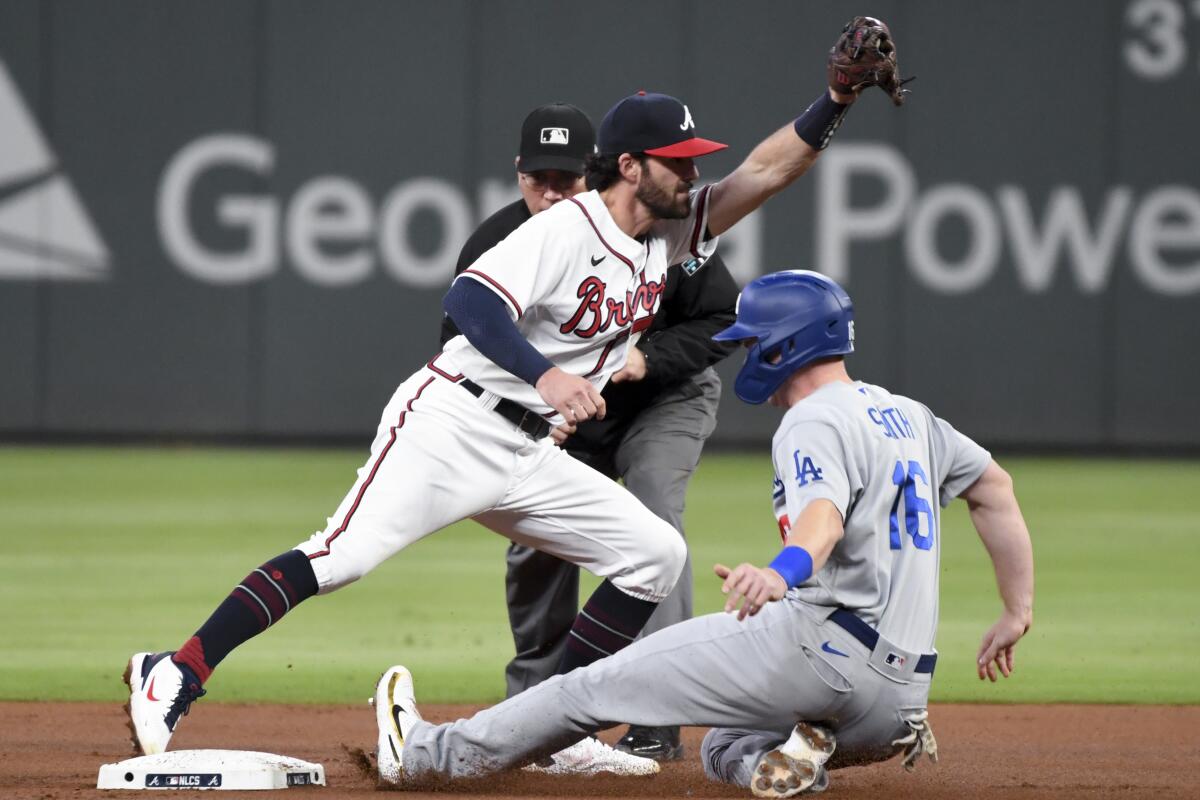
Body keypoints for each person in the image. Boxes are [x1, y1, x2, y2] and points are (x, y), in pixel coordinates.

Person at [124, 17, 875, 764]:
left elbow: (768, 170)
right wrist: (549, 375)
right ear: (631, 165)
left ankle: (550, 730)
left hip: (530, 449)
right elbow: (472, 303)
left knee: (654, 555)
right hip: (452, 424)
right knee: (339, 557)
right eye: (677, 160)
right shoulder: (564, 229)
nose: (692, 172)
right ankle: (176, 671)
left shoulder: (670, 233)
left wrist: (835, 98)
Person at [371, 269, 1035, 798]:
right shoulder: (910, 415)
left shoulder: (813, 420)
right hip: (900, 705)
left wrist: (781, 573)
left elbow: (823, 522)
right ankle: (786, 762)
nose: (746, 353)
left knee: (588, 687)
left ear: (785, 346)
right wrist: (1016, 609)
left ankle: (429, 757)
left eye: (753, 342)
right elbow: (996, 489)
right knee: (726, 745)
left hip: (822, 654)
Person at [440, 103, 739, 762]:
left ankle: (657, 710)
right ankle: (536, 711)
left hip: (661, 398)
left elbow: (724, 316)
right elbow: (462, 350)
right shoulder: (501, 245)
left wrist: (649, 358)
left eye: (566, 178)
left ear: (600, 176)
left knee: (654, 517)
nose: (551, 192)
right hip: (561, 413)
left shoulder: (654, 230)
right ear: (518, 175)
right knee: (535, 540)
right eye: (537, 177)